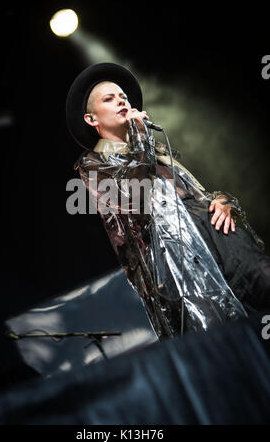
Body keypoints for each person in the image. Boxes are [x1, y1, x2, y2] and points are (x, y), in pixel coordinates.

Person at [66, 63, 270, 340]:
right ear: (92, 119)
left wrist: (223, 201)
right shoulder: (94, 164)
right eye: (109, 99)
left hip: (219, 235)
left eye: (123, 97)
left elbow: (197, 195)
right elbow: (136, 198)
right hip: (177, 259)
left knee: (263, 281)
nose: (121, 101)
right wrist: (140, 138)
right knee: (220, 335)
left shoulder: (157, 152)